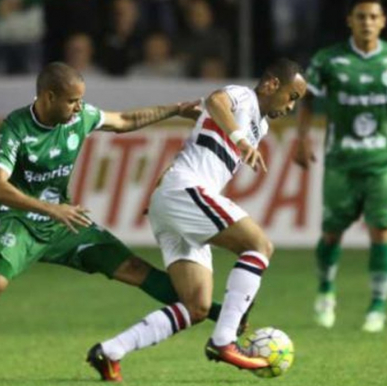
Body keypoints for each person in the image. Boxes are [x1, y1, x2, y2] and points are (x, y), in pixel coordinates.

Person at [0, 62, 240, 382]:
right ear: (48, 96)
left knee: (135, 270)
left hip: (64, 223)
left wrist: (175, 109)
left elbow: (125, 119)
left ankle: (219, 314)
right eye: (72, 100)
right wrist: (51, 210)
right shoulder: (17, 127)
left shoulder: (79, 118)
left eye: (81, 99)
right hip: (18, 221)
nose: (79, 107)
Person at [88, 58, 307, 381]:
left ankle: (110, 351)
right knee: (259, 246)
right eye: (292, 96)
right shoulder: (243, 96)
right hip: (186, 190)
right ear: (272, 84)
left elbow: (211, 115)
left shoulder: (259, 124)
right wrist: (240, 139)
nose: (291, 106)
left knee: (197, 307)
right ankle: (224, 340)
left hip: (175, 201)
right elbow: (217, 100)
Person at [295, 0, 387, 333]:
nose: (367, 22)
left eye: (374, 17)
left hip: (384, 162)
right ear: (350, 21)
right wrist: (302, 137)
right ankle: (326, 292)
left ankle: (377, 307)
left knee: (382, 231)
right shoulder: (327, 59)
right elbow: (307, 97)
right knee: (331, 233)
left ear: (384, 21)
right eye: (361, 17)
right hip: (341, 162)